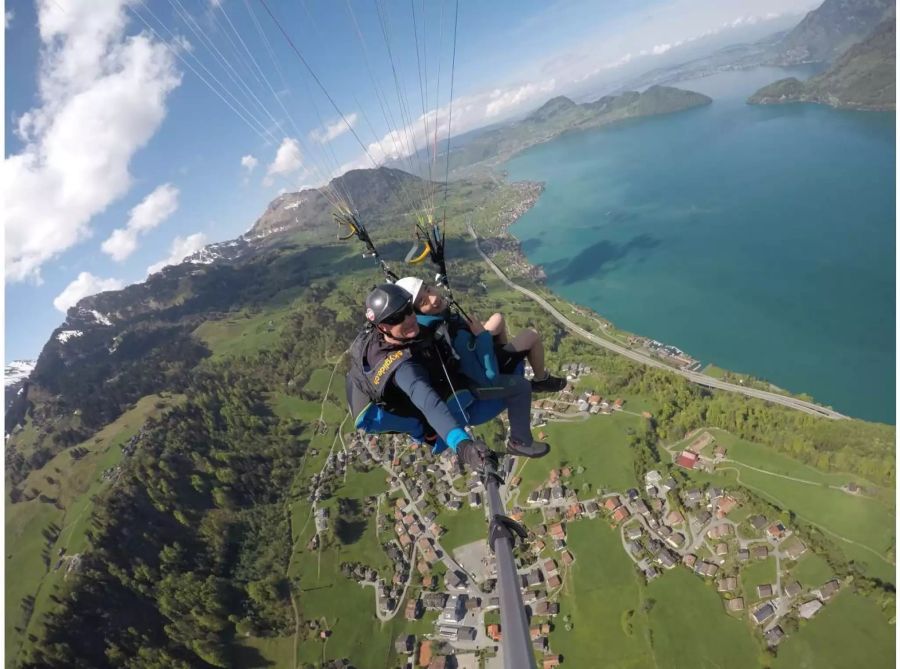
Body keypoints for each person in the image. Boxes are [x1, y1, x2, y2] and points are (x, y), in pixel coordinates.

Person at [348, 283, 550, 461]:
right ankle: (521, 442)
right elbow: (429, 403)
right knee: (521, 385)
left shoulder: (396, 331)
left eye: (409, 310)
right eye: (398, 317)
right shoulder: (402, 367)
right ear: (383, 327)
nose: (409, 319)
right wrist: (463, 446)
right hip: (458, 411)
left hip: (453, 388)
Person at [395, 277, 566, 392]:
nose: (433, 298)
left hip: (478, 350)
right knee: (532, 335)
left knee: (497, 319)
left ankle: (502, 351)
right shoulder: (446, 332)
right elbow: (487, 379)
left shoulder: (438, 323)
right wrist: (482, 336)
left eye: (428, 289)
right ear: (418, 313)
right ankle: (540, 379)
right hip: (485, 364)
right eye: (424, 301)